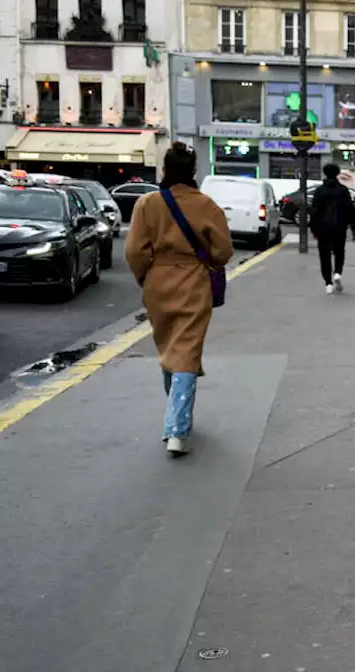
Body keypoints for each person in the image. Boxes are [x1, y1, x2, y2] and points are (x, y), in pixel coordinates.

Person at [125, 142, 234, 457]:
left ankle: (176, 413)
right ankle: (176, 429)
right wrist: (206, 261)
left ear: (165, 170)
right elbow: (223, 251)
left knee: (169, 347)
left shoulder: (147, 204)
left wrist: (145, 277)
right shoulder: (207, 206)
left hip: (157, 282)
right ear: (193, 171)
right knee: (186, 350)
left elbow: (134, 251)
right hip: (193, 282)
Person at [310, 163, 355, 294]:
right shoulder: (343, 190)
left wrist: (313, 229)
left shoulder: (320, 191)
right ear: (337, 174)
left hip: (323, 228)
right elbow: (350, 210)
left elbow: (314, 211)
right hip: (339, 227)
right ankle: (337, 272)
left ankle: (328, 284)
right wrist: (354, 227)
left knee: (324, 256)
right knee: (339, 252)